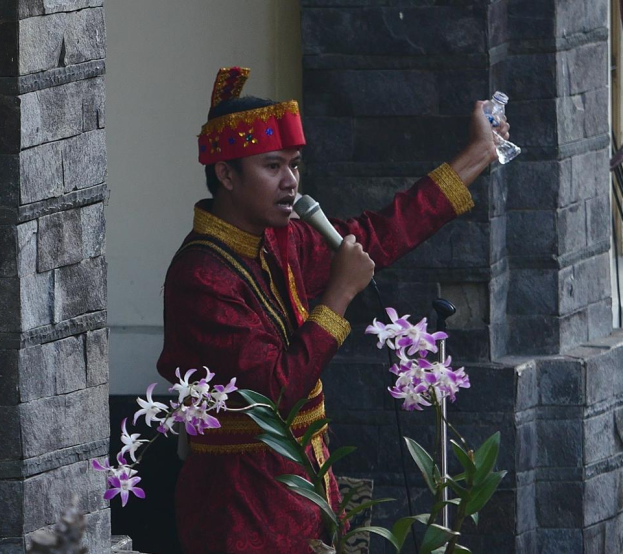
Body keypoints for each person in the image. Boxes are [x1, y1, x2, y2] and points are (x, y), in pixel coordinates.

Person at [156, 66, 511, 554]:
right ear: (226, 174)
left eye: (295, 165)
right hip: (238, 502)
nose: (291, 182)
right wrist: (338, 296)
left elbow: (380, 234)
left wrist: (476, 155)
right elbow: (273, 398)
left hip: (306, 485)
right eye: (273, 166)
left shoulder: (283, 239)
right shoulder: (200, 276)